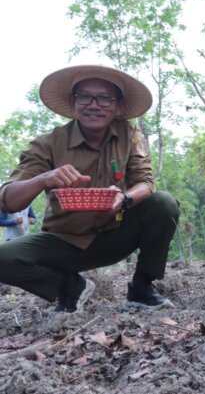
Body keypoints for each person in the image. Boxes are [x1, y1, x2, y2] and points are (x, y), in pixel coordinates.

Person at [0, 65, 180, 313]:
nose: (94, 104)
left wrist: (125, 199)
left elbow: (146, 183)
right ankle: (70, 288)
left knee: (164, 203)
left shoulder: (130, 135)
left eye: (104, 98)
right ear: (73, 103)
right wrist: (44, 178)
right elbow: (9, 200)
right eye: (84, 96)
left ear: (117, 106)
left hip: (116, 234)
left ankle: (142, 289)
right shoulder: (48, 143)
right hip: (63, 241)